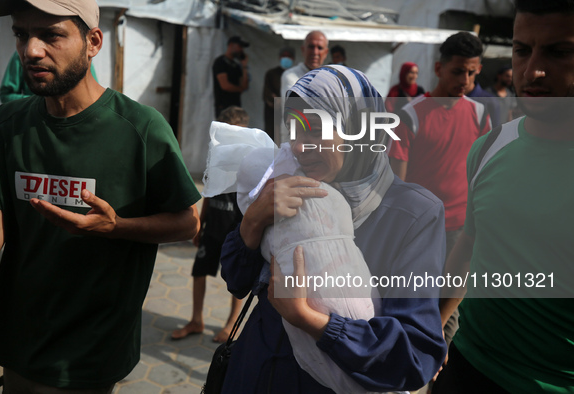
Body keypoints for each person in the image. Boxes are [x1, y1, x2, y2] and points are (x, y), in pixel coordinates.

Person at [0, 0, 201, 392]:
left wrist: (116, 227)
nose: (30, 50)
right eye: (21, 33)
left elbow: (188, 222)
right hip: (18, 341)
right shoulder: (9, 123)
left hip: (91, 352)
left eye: (51, 35)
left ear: (93, 42)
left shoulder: (140, 129)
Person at [220, 65, 447, 393]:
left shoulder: (413, 215)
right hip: (252, 374)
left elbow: (414, 356)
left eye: (313, 130)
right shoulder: (286, 185)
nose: (298, 147)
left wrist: (312, 321)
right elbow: (236, 280)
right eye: (292, 130)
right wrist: (253, 220)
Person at [433, 1, 574, 392]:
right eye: (522, 50)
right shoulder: (492, 145)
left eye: (559, 52)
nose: (533, 71)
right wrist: (433, 327)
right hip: (465, 367)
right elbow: (470, 244)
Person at [388, 31, 491, 353]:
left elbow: (483, 174)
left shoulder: (479, 114)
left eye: (473, 72)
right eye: (458, 70)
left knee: (447, 319)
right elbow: (396, 188)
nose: (466, 79)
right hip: (419, 231)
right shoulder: (410, 115)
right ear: (438, 68)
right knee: (408, 311)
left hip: (461, 231)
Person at [171, 106, 247, 343]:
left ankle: (232, 323)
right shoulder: (215, 156)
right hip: (213, 225)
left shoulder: (251, 161)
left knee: (236, 279)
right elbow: (209, 193)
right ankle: (196, 320)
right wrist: (199, 224)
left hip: (236, 231)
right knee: (199, 271)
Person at [0, 50, 98, 103]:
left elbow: (92, 95)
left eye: (52, 35)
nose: (33, 50)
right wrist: (39, 103)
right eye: (21, 35)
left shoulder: (80, 59)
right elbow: (6, 95)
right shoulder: (24, 55)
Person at [280, 30, 329, 104]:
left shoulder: (330, 78)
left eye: (320, 48)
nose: (315, 52)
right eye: (311, 47)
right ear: (303, 49)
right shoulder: (290, 75)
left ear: (326, 53)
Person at [262, 47, 295, 139]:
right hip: (273, 113)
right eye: (284, 56)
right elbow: (267, 94)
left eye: (289, 56)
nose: (286, 58)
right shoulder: (271, 74)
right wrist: (277, 102)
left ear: (293, 58)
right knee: (274, 139)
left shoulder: (295, 74)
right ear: (279, 57)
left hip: (291, 113)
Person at [212, 36, 249, 117]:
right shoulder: (220, 62)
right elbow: (225, 86)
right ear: (231, 45)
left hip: (236, 106)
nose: (241, 50)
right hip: (223, 106)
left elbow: (244, 85)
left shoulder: (236, 66)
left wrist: (244, 66)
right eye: (239, 46)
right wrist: (239, 89)